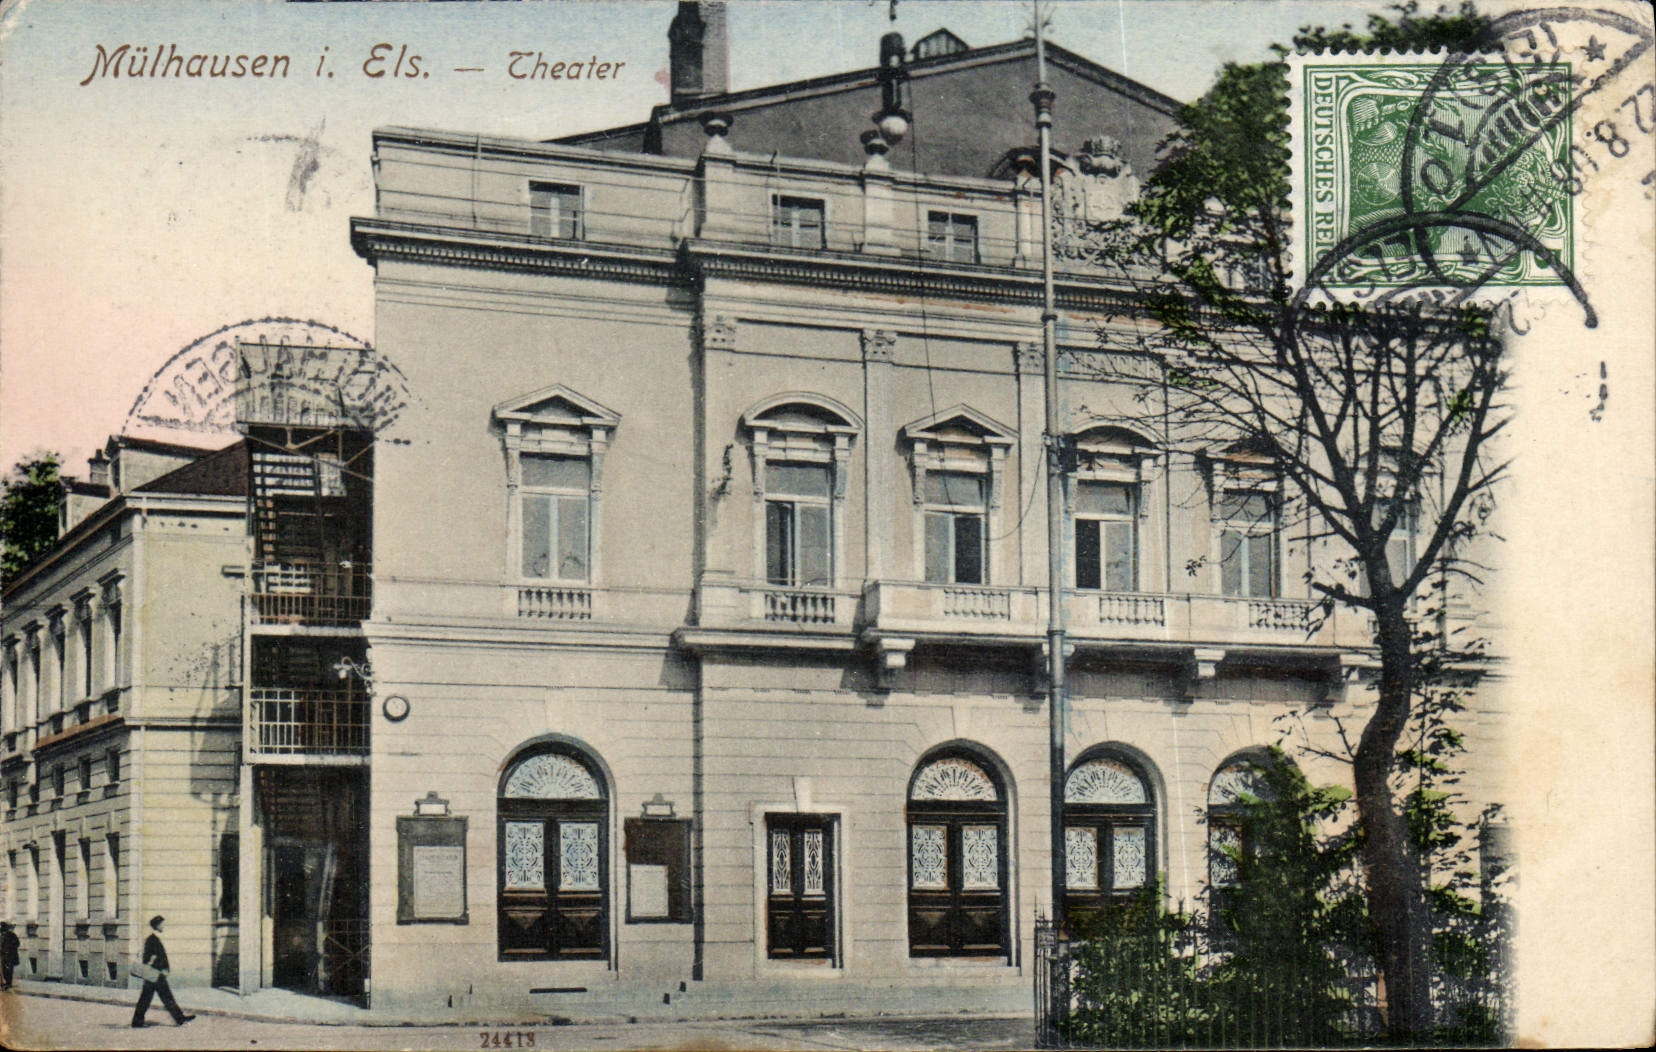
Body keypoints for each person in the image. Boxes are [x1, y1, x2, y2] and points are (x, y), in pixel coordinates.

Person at [130, 916, 195, 1028]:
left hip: (155, 974)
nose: (163, 926)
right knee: (164, 997)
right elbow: (148, 958)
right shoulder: (152, 939)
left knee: (149, 998)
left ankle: (137, 1021)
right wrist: (161, 968)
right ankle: (179, 1018)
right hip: (155, 974)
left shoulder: (155, 938)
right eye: (162, 924)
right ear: (157, 925)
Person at [0, 921, 19, 990]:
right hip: (3, 955)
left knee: (9, 970)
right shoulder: (2, 935)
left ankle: (8, 983)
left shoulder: (11, 935)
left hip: (10, 956)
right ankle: (5, 983)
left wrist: (9, 949)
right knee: (4, 970)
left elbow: (17, 943)